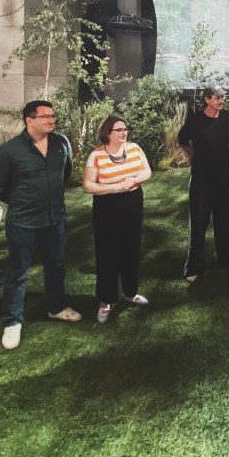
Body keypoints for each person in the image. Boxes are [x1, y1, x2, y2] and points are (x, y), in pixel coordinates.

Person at [0, 100, 82, 349]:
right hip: (23, 221)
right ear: (29, 120)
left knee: (56, 265)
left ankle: (57, 307)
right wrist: (21, 200)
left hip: (55, 219)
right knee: (18, 271)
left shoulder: (61, 143)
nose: (52, 120)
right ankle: (13, 321)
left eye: (53, 116)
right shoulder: (10, 150)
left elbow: (66, 172)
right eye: (45, 116)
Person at [83, 116, 152, 323]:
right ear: (107, 133)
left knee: (131, 247)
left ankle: (130, 292)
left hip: (133, 202)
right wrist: (117, 186)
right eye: (118, 130)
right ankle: (105, 300)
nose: (124, 133)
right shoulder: (97, 155)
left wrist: (133, 180)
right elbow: (88, 185)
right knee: (107, 252)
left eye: (125, 129)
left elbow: (147, 171)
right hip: (107, 205)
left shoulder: (134, 148)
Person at [178, 85, 229, 282]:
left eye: (222, 98)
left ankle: (226, 260)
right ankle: (193, 268)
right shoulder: (195, 120)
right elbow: (182, 140)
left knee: (225, 222)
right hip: (201, 181)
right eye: (217, 98)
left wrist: (220, 156)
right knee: (198, 225)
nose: (221, 101)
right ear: (206, 99)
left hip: (224, 179)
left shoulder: (228, 119)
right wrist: (197, 155)